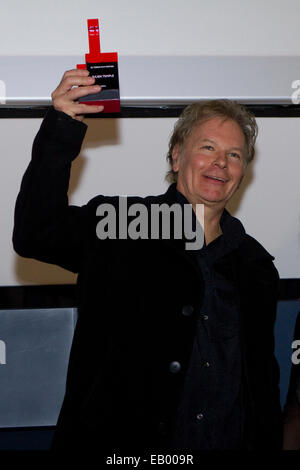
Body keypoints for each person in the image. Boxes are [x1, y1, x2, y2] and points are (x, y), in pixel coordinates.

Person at [13, 69, 282, 452]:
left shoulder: (255, 264)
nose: (220, 163)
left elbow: (261, 387)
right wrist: (62, 125)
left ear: (242, 172)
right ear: (176, 156)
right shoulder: (124, 223)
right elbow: (35, 233)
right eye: (207, 147)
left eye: (234, 155)